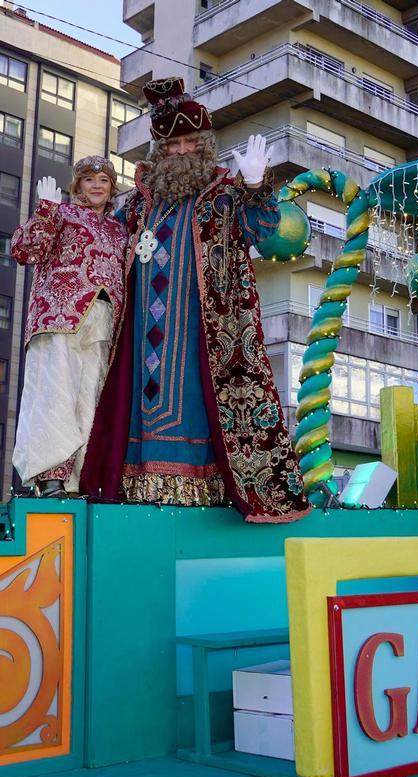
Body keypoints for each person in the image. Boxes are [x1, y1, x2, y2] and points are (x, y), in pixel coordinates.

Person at [81, 77, 309, 523]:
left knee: (197, 399)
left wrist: (258, 185)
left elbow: (260, 230)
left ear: (203, 144)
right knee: (137, 400)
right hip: (137, 335)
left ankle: (204, 486)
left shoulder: (224, 193)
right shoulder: (137, 205)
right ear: (158, 150)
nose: (181, 151)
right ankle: (136, 483)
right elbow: (101, 240)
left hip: (205, 331)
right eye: (171, 144)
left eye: (189, 142)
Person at [10, 156, 127, 496]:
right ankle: (50, 476)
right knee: (55, 394)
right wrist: (45, 210)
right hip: (59, 315)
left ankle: (81, 478)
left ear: (111, 187)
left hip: (103, 320)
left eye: (103, 180)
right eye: (89, 180)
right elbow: (25, 250)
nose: (96, 185)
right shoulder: (61, 214)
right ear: (77, 186)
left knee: (92, 397)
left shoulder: (119, 228)